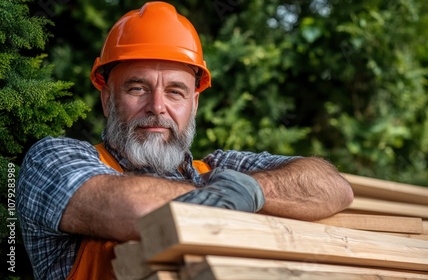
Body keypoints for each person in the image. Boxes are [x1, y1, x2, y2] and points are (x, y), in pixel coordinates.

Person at [16, 2, 353, 279]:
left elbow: (332, 186)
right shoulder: (52, 159)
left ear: (194, 103)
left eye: (175, 91)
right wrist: (229, 196)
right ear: (107, 99)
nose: (157, 107)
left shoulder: (217, 167)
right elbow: (135, 210)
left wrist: (253, 191)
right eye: (137, 88)